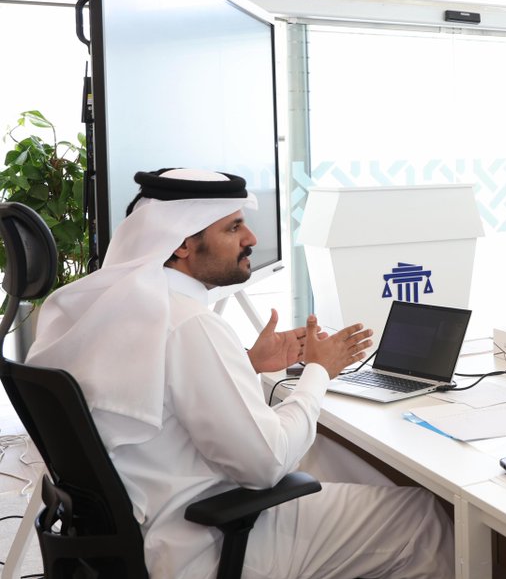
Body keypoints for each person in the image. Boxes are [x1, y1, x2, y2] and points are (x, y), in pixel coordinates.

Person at [27, 168, 453, 579]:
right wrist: (319, 370)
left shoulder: (114, 306)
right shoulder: (190, 323)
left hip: (144, 525)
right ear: (183, 244)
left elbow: (150, 389)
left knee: (329, 459)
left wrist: (246, 363)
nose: (251, 239)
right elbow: (265, 465)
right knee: (421, 516)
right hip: (201, 541)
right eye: (233, 228)